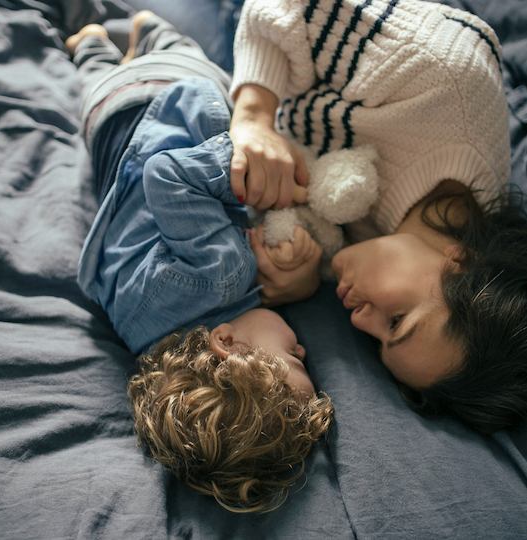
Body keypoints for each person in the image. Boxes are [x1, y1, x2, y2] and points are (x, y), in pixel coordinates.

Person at [228, 0, 527, 433]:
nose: (360, 319)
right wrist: (253, 117)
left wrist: (307, 277)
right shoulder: (439, 75)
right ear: (462, 262)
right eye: (397, 322)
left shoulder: (399, 244)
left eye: (378, 341)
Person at [67, 12, 333, 512]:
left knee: (182, 51)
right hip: (102, 121)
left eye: (296, 359)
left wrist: (247, 171)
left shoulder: (222, 274)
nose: (302, 345)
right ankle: (91, 44)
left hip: (158, 98)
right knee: (95, 65)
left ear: (227, 342)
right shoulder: (148, 347)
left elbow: (166, 175)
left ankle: (146, 28)